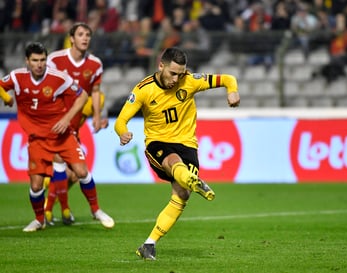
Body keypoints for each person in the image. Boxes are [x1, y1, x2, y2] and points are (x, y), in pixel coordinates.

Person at [114, 47, 240, 260]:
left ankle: (148, 245)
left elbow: (228, 78)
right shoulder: (144, 89)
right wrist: (123, 133)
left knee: (182, 195)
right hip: (158, 143)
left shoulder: (189, 80)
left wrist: (232, 91)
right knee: (173, 161)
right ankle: (194, 180)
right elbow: (120, 121)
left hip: (187, 144)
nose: (176, 78)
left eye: (180, 74)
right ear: (160, 66)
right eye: (173, 73)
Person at [0, 42, 113, 232]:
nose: (39, 64)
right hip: (37, 139)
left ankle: (96, 210)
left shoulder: (58, 78)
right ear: (27, 61)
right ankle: (39, 219)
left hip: (62, 136)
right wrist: (7, 98)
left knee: (82, 171)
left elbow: (82, 95)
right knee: (36, 186)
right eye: (35, 60)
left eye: (43, 60)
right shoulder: (17, 77)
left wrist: (66, 119)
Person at [45, 22, 112, 227]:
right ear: (71, 38)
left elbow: (95, 93)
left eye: (88, 35)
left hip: (75, 126)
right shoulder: (55, 60)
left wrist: (97, 117)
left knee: (74, 174)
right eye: (81, 34)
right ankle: (51, 211)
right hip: (56, 123)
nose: (85, 38)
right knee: (68, 167)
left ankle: (53, 204)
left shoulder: (95, 64)